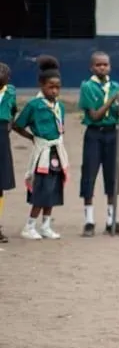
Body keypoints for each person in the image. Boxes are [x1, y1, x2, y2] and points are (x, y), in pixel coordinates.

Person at [12, 58, 68, 240]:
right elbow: (17, 125)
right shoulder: (34, 106)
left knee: (53, 190)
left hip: (57, 153)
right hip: (43, 153)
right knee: (41, 190)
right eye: (51, 87)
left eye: (58, 87)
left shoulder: (59, 106)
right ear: (41, 85)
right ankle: (29, 226)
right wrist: (32, 138)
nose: (54, 91)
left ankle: (45, 225)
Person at [78, 51, 119, 236]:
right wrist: (112, 100)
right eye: (98, 65)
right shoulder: (87, 87)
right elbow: (94, 115)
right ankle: (89, 221)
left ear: (110, 67)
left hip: (111, 134)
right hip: (94, 134)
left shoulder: (115, 86)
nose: (102, 67)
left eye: (105, 64)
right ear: (92, 67)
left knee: (112, 176)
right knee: (89, 174)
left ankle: (110, 220)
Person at [0, 63, 15, 244]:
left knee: (1, 184)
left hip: (2, 137)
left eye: (4, 72)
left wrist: (8, 127)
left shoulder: (11, 92)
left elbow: (12, 113)